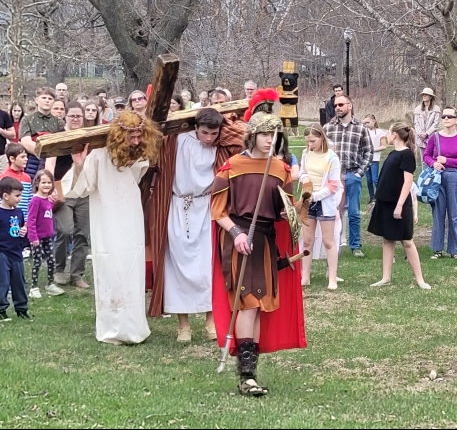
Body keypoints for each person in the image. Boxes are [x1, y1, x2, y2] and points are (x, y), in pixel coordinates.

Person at [210, 90, 307, 396]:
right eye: (264, 134)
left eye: (274, 135)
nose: (270, 140)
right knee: (247, 305)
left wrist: (298, 207)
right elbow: (217, 211)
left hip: (264, 242)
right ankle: (246, 376)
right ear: (252, 136)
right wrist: (236, 234)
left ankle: (250, 372)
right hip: (239, 239)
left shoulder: (281, 170)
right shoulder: (232, 166)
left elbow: (284, 212)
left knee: (261, 305)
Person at [60, 111, 162, 344]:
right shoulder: (98, 155)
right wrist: (78, 165)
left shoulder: (138, 153)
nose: (136, 141)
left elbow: (137, 175)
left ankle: (134, 326)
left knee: (132, 268)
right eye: (131, 137)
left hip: (130, 214)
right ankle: (113, 327)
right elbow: (81, 189)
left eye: (139, 136)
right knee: (111, 267)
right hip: (106, 216)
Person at [147, 107, 244, 341]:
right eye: (204, 133)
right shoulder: (176, 139)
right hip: (177, 206)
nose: (209, 138)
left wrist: (225, 124)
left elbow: (243, 135)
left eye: (213, 133)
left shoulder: (223, 143)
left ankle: (211, 321)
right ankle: (183, 325)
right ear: (195, 128)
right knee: (177, 264)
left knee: (207, 265)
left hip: (207, 207)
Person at [368, 122, 431, 290]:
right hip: (386, 202)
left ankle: (420, 279)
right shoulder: (392, 153)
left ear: (395, 134)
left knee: (407, 241)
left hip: (399, 204)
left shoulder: (407, 155)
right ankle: (385, 277)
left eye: (389, 133)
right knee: (387, 239)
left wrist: (400, 205)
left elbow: (408, 182)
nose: (387, 136)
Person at [45, 101, 91, 289]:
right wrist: (49, 188)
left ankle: (77, 274)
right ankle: (59, 270)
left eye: (78, 116)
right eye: (72, 115)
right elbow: (50, 163)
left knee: (83, 234)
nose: (75, 119)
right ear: (65, 116)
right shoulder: (57, 136)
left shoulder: (88, 137)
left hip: (84, 190)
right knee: (64, 231)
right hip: (62, 189)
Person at [323, 93, 372, 258]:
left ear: (349, 106)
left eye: (341, 105)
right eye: (336, 105)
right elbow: (320, 152)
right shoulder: (328, 128)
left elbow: (368, 152)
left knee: (354, 212)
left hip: (352, 174)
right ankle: (332, 244)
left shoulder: (360, 128)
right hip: (333, 177)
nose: (337, 108)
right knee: (332, 211)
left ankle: (355, 245)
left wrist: (359, 173)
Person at [299, 123, 342, 290]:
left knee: (328, 241)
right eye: (308, 141)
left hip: (325, 203)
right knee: (307, 240)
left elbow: (333, 185)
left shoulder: (332, 157)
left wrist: (315, 196)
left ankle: (332, 278)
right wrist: (305, 181)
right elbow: (302, 172)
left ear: (321, 138)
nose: (310, 144)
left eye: (313, 141)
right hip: (308, 201)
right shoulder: (305, 154)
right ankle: (305, 276)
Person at [425, 105, 457, 259]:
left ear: (456, 120)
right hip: (438, 177)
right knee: (438, 213)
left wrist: (447, 161)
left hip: (455, 177)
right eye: (444, 116)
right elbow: (426, 155)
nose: (446, 119)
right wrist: (433, 163)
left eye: (449, 117)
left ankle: (455, 250)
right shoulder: (435, 137)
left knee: (455, 214)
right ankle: (437, 249)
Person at [26, 170, 64, 298]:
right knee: (37, 261)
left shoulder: (47, 199)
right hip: (37, 238)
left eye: (49, 182)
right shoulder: (35, 200)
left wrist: (54, 201)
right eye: (44, 182)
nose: (47, 185)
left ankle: (50, 284)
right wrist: (33, 237)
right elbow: (31, 220)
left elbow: (47, 212)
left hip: (48, 237)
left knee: (51, 261)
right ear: (37, 183)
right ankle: (34, 287)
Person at [0, 177, 29, 321]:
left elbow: (21, 230)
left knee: (19, 282)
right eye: (17, 195)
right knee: (3, 282)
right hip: (2, 253)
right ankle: (1, 309)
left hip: (16, 253)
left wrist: (24, 233)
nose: (20, 198)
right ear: (5, 196)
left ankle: (22, 309)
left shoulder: (19, 212)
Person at [19, 87, 64, 182]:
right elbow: (26, 142)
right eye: (44, 97)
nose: (47, 100)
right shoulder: (27, 119)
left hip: (54, 162)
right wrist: (45, 152)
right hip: (32, 161)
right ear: (36, 100)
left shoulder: (59, 122)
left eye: (50, 98)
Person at [2, 144, 32, 221]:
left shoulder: (27, 178)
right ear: (12, 159)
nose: (26, 159)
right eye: (22, 157)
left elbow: (29, 201)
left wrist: (26, 223)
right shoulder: (3, 177)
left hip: (24, 221)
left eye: (26, 156)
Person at [362, 114, 388, 204]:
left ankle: (381, 195)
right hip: (366, 159)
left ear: (374, 121)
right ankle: (372, 197)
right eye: (365, 123)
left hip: (374, 159)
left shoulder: (379, 132)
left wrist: (372, 150)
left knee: (375, 179)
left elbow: (384, 146)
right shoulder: (364, 131)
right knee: (368, 180)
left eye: (368, 122)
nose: (366, 124)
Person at [413, 88, 441, 162]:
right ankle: (424, 173)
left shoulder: (436, 109)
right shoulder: (417, 109)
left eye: (426, 95)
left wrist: (427, 133)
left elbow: (436, 123)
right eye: (423, 95)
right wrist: (420, 134)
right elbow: (416, 123)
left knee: (432, 158)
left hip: (431, 136)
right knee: (423, 160)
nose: (424, 96)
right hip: (420, 138)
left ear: (431, 97)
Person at [0, 102, 14, 174]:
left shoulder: (4, 115)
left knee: (3, 182)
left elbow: (12, 135)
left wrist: (1, 131)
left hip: (1, 156)